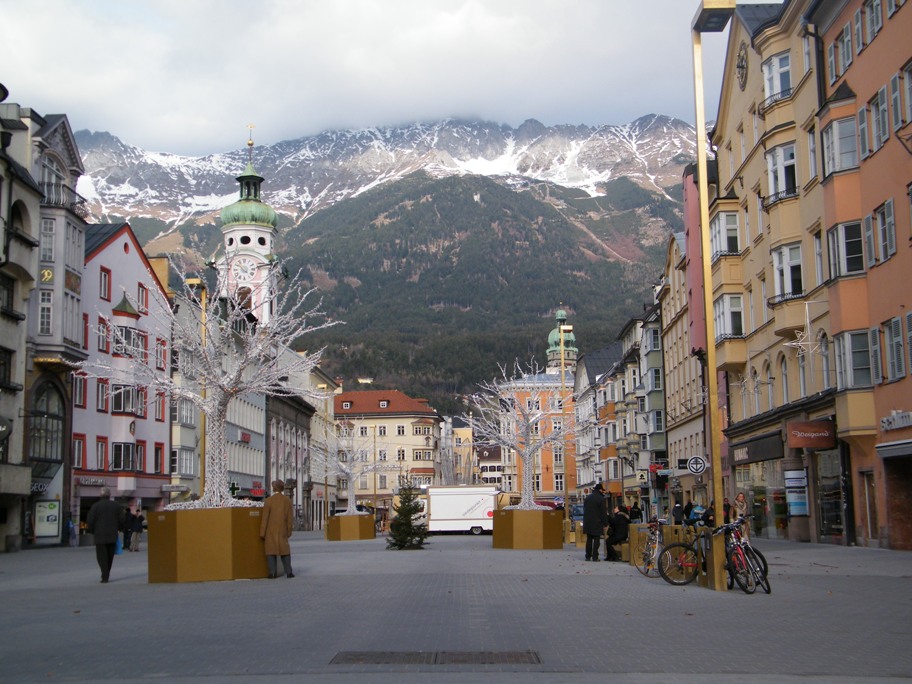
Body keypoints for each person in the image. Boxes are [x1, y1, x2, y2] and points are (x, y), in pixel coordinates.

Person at [86, 487, 125, 583]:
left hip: (99, 535)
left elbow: (90, 520)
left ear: (100, 495)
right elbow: (122, 519)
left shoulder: (95, 506)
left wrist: (92, 530)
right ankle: (106, 573)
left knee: (101, 556)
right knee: (110, 555)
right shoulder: (116, 505)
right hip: (112, 534)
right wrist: (119, 528)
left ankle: (104, 575)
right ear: (109, 495)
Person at [260, 479, 294, 578]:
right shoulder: (287, 501)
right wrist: (289, 531)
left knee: (271, 551)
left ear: (273, 488)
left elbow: (265, 518)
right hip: (282, 529)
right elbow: (289, 518)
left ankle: (272, 573)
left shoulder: (268, 501)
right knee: (285, 551)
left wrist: (262, 532)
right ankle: (289, 572)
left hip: (270, 530)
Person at [582, 482, 609, 562]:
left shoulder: (588, 498)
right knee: (597, 539)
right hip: (597, 522)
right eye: (602, 490)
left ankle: (587, 556)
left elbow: (585, 510)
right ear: (600, 490)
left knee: (589, 539)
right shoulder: (601, 499)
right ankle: (595, 557)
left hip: (588, 522)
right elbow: (603, 513)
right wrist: (605, 523)